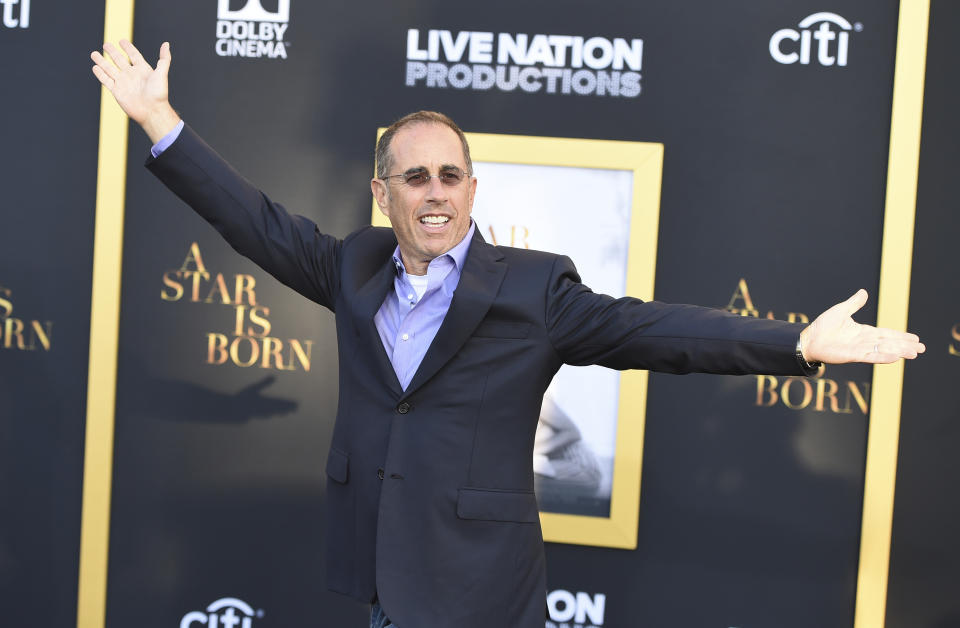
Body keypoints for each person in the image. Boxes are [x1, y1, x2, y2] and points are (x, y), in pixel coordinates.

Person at [90, 40, 925, 628]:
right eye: (415, 176)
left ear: (473, 188)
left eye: (450, 174)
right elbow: (256, 223)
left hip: (482, 591)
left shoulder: (532, 287)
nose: (435, 192)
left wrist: (799, 345)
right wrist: (162, 123)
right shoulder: (351, 267)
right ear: (384, 194)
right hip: (386, 576)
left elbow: (652, 330)